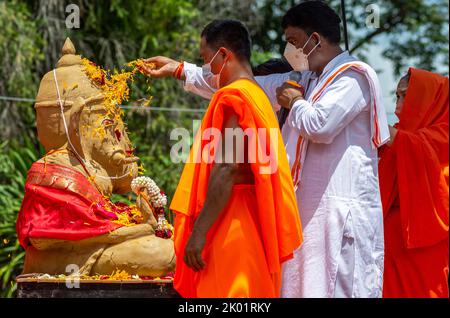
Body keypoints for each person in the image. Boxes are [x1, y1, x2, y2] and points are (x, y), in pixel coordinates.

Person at [143, 1, 389, 298]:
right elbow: (240, 81)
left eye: (294, 41)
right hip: (306, 211)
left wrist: (295, 102)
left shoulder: (354, 76)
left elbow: (320, 125)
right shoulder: (307, 79)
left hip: (341, 211)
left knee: (339, 286)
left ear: (315, 40)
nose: (290, 50)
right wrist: (181, 70)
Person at [165, 19, 302, 298]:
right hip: (252, 221)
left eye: (207, 59)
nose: (208, 69)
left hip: (231, 226)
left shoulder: (235, 96)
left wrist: (199, 232)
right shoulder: (259, 96)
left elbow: (227, 167)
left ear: (224, 54)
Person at [379, 68, 449, 298]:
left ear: (426, 97)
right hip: (386, 243)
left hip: (424, 245)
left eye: (405, 95)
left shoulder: (444, 132)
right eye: (397, 95)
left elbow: (418, 145)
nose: (397, 102)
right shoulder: (396, 132)